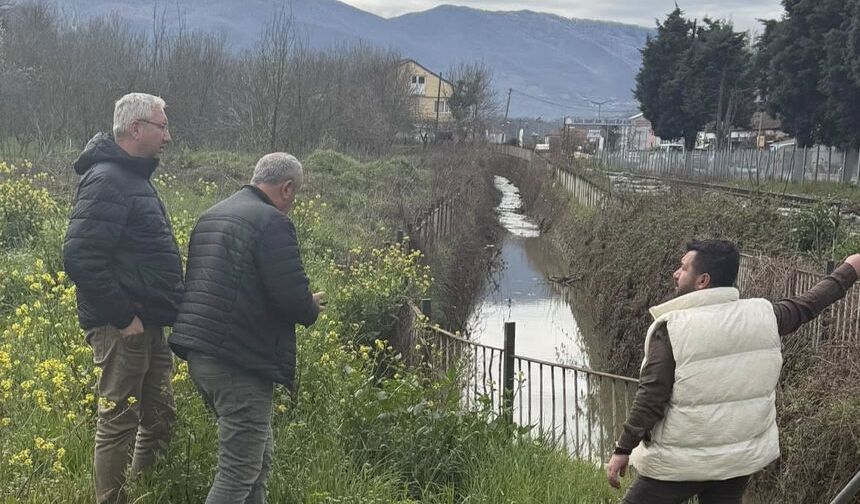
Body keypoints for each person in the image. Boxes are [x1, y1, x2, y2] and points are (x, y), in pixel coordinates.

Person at [606, 239, 860, 503]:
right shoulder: (764, 316)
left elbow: (651, 397)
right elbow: (808, 304)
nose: (676, 273)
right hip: (736, 462)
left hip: (679, 463)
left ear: (702, 280)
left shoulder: (673, 329)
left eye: (683, 268)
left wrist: (623, 448)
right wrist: (850, 269)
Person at [169, 152, 324, 504]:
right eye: (295, 194)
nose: (293, 203)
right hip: (239, 363)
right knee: (238, 472)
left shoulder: (212, 214)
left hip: (201, 355)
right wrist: (310, 305)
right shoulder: (271, 222)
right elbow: (290, 297)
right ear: (287, 188)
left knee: (258, 459)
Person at [63, 92, 182, 504]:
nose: (167, 136)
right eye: (162, 126)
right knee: (118, 420)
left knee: (159, 412)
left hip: (147, 322)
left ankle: (148, 488)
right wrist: (124, 316)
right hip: (123, 327)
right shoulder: (108, 179)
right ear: (136, 129)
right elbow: (79, 255)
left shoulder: (132, 177)